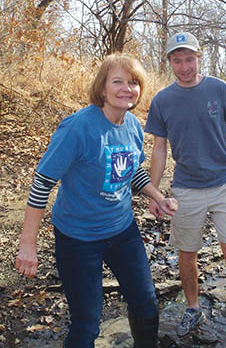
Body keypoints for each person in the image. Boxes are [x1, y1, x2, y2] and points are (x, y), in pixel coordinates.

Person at [15, 53, 178, 348]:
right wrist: (28, 245)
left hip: (122, 231)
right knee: (87, 324)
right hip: (78, 238)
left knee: (146, 303)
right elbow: (42, 184)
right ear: (102, 88)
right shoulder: (77, 129)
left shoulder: (132, 126)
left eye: (133, 82)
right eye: (117, 81)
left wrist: (157, 196)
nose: (126, 88)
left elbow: (130, 172)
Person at [145, 32, 226, 348]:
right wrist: (154, 193)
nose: (183, 66)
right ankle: (193, 308)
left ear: (199, 57)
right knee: (187, 252)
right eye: (176, 60)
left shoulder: (219, 89)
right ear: (170, 62)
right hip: (186, 187)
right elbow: (159, 150)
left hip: (225, 181)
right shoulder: (162, 100)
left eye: (189, 59)